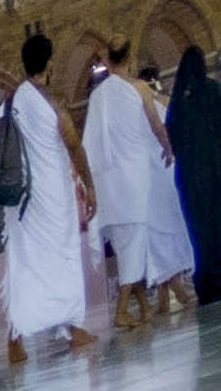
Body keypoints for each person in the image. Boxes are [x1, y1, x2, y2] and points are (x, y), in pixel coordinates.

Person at [2, 27, 96, 360]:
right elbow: (74, 146)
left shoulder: (12, 102)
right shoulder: (51, 104)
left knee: (24, 264)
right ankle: (73, 328)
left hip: (22, 201)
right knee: (63, 259)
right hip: (53, 197)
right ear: (50, 64)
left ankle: (16, 337)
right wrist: (89, 186)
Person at [84, 41, 174, 333]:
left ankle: (144, 305)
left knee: (125, 249)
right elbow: (156, 126)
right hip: (132, 178)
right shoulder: (139, 88)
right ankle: (122, 310)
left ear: (109, 60)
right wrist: (168, 148)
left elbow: (89, 142)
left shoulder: (97, 96)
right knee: (134, 244)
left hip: (106, 181)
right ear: (130, 58)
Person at [169, 49, 221, 305]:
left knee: (198, 231)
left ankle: (206, 284)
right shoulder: (212, 91)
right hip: (214, 171)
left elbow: (172, 136)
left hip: (189, 177)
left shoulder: (178, 99)